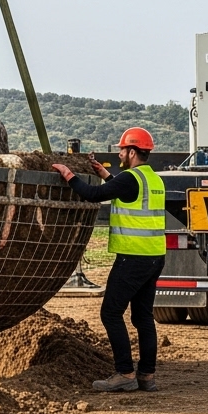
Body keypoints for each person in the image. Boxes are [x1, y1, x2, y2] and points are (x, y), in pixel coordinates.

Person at [51, 127, 166, 393]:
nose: (119, 154)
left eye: (122, 150)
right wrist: (104, 174)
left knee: (111, 313)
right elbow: (127, 192)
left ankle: (125, 373)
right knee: (143, 318)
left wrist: (68, 175)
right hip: (153, 257)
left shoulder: (129, 177)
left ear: (133, 152)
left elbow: (92, 195)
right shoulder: (152, 178)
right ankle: (147, 376)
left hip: (133, 258)